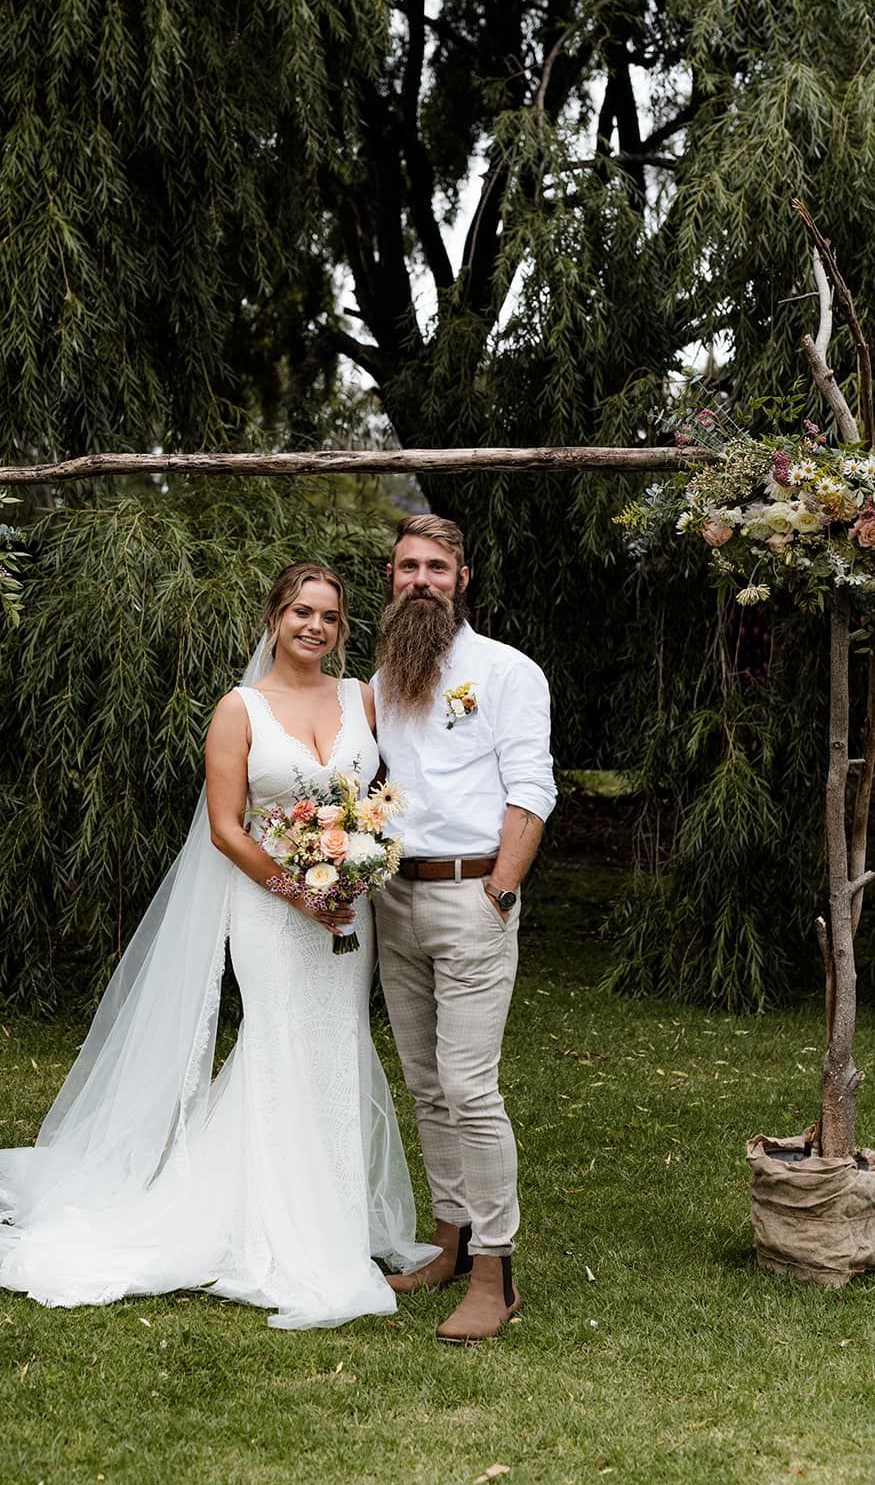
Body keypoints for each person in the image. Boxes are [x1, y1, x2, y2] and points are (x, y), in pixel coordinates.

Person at [0, 562, 435, 1329]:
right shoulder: (239, 708)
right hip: (272, 910)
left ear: (343, 630)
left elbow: (388, 788)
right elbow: (224, 828)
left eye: (331, 617)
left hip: (347, 910)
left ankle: (337, 1216)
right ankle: (283, 1226)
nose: (315, 627)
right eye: (301, 612)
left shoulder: (362, 699)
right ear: (275, 617)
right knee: (278, 1042)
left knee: (336, 1043)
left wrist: (356, 866)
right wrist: (299, 892)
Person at [372, 515, 556, 1344]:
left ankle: (496, 1273)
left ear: (461, 578)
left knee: (470, 1088)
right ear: (391, 577)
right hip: (393, 900)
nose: (421, 579)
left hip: (472, 895)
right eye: (408, 566)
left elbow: (532, 788)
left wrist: (499, 891)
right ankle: (448, 1242)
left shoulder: (506, 671)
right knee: (424, 1082)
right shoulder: (383, 677)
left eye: (435, 567)